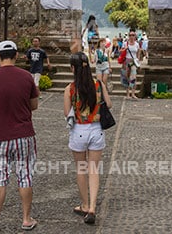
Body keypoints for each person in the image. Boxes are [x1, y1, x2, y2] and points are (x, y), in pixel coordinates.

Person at [0, 40, 39, 233]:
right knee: (25, 176)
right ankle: (27, 219)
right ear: (16, 55)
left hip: (0, 135)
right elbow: (34, 105)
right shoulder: (27, 77)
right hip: (24, 134)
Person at [64, 52, 112, 225]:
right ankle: (92, 207)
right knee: (93, 169)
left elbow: (66, 113)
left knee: (81, 169)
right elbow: (110, 104)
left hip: (78, 131)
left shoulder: (70, 88)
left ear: (72, 68)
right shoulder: (98, 84)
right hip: (96, 130)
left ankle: (84, 205)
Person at [121, 30, 142, 99]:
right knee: (126, 77)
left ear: (135, 36)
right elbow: (120, 51)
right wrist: (125, 49)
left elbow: (139, 51)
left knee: (133, 77)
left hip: (133, 62)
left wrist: (138, 59)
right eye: (130, 35)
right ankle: (127, 94)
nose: (131, 36)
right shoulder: (125, 43)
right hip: (126, 61)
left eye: (133, 35)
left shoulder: (136, 44)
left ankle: (133, 93)